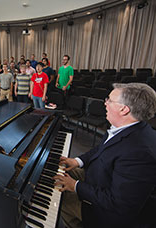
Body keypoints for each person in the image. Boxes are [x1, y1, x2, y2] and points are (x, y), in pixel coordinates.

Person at [56, 83, 156, 228]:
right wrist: (77, 161)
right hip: (102, 178)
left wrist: (75, 186)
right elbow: (101, 149)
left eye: (109, 100)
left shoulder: (140, 153)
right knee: (58, 170)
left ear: (124, 109)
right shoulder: (124, 126)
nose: (105, 103)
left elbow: (118, 203)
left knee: (61, 197)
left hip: (108, 214)